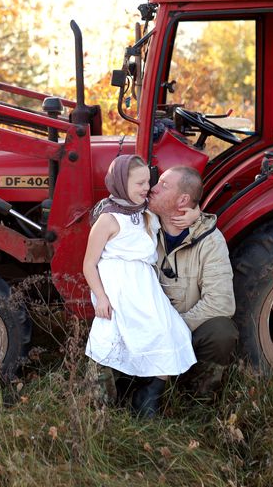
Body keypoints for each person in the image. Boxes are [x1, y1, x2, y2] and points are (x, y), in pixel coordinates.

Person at [83, 155, 197, 417]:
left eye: (149, 181)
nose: (147, 188)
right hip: (117, 290)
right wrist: (101, 298)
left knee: (172, 333)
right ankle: (106, 402)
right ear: (122, 183)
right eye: (140, 183)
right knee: (110, 341)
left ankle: (147, 398)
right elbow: (89, 264)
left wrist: (196, 212)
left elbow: (177, 215)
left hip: (145, 288)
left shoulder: (145, 212)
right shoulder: (109, 219)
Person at [148, 165, 238, 395]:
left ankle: (197, 398)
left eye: (163, 185)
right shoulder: (141, 226)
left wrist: (175, 329)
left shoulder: (210, 241)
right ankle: (134, 392)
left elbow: (221, 303)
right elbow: (102, 213)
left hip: (188, 329)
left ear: (183, 200)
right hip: (147, 331)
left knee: (222, 331)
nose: (153, 188)